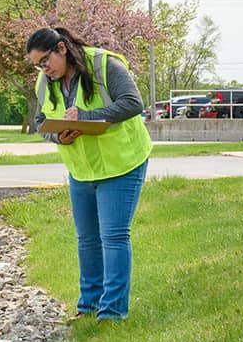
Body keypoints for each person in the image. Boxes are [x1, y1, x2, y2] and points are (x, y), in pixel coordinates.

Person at [27, 27, 152, 323]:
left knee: (113, 237)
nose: (43, 69)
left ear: (61, 48)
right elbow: (40, 121)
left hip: (122, 163)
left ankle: (112, 314)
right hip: (81, 169)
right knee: (87, 240)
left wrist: (87, 118)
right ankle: (88, 307)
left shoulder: (104, 65)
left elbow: (133, 103)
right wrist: (59, 138)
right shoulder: (45, 82)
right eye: (37, 65)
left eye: (46, 60)